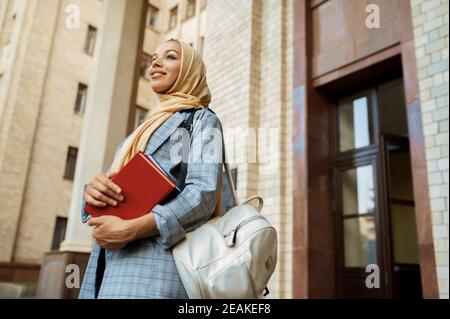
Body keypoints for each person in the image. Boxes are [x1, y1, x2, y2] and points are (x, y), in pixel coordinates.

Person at [78, 38, 224, 299]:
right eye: (155, 57)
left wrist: (133, 228)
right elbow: (120, 193)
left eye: (170, 56)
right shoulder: (139, 132)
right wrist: (94, 192)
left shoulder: (202, 120)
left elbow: (204, 193)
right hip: (107, 268)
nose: (156, 62)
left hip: (156, 270)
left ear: (190, 70)